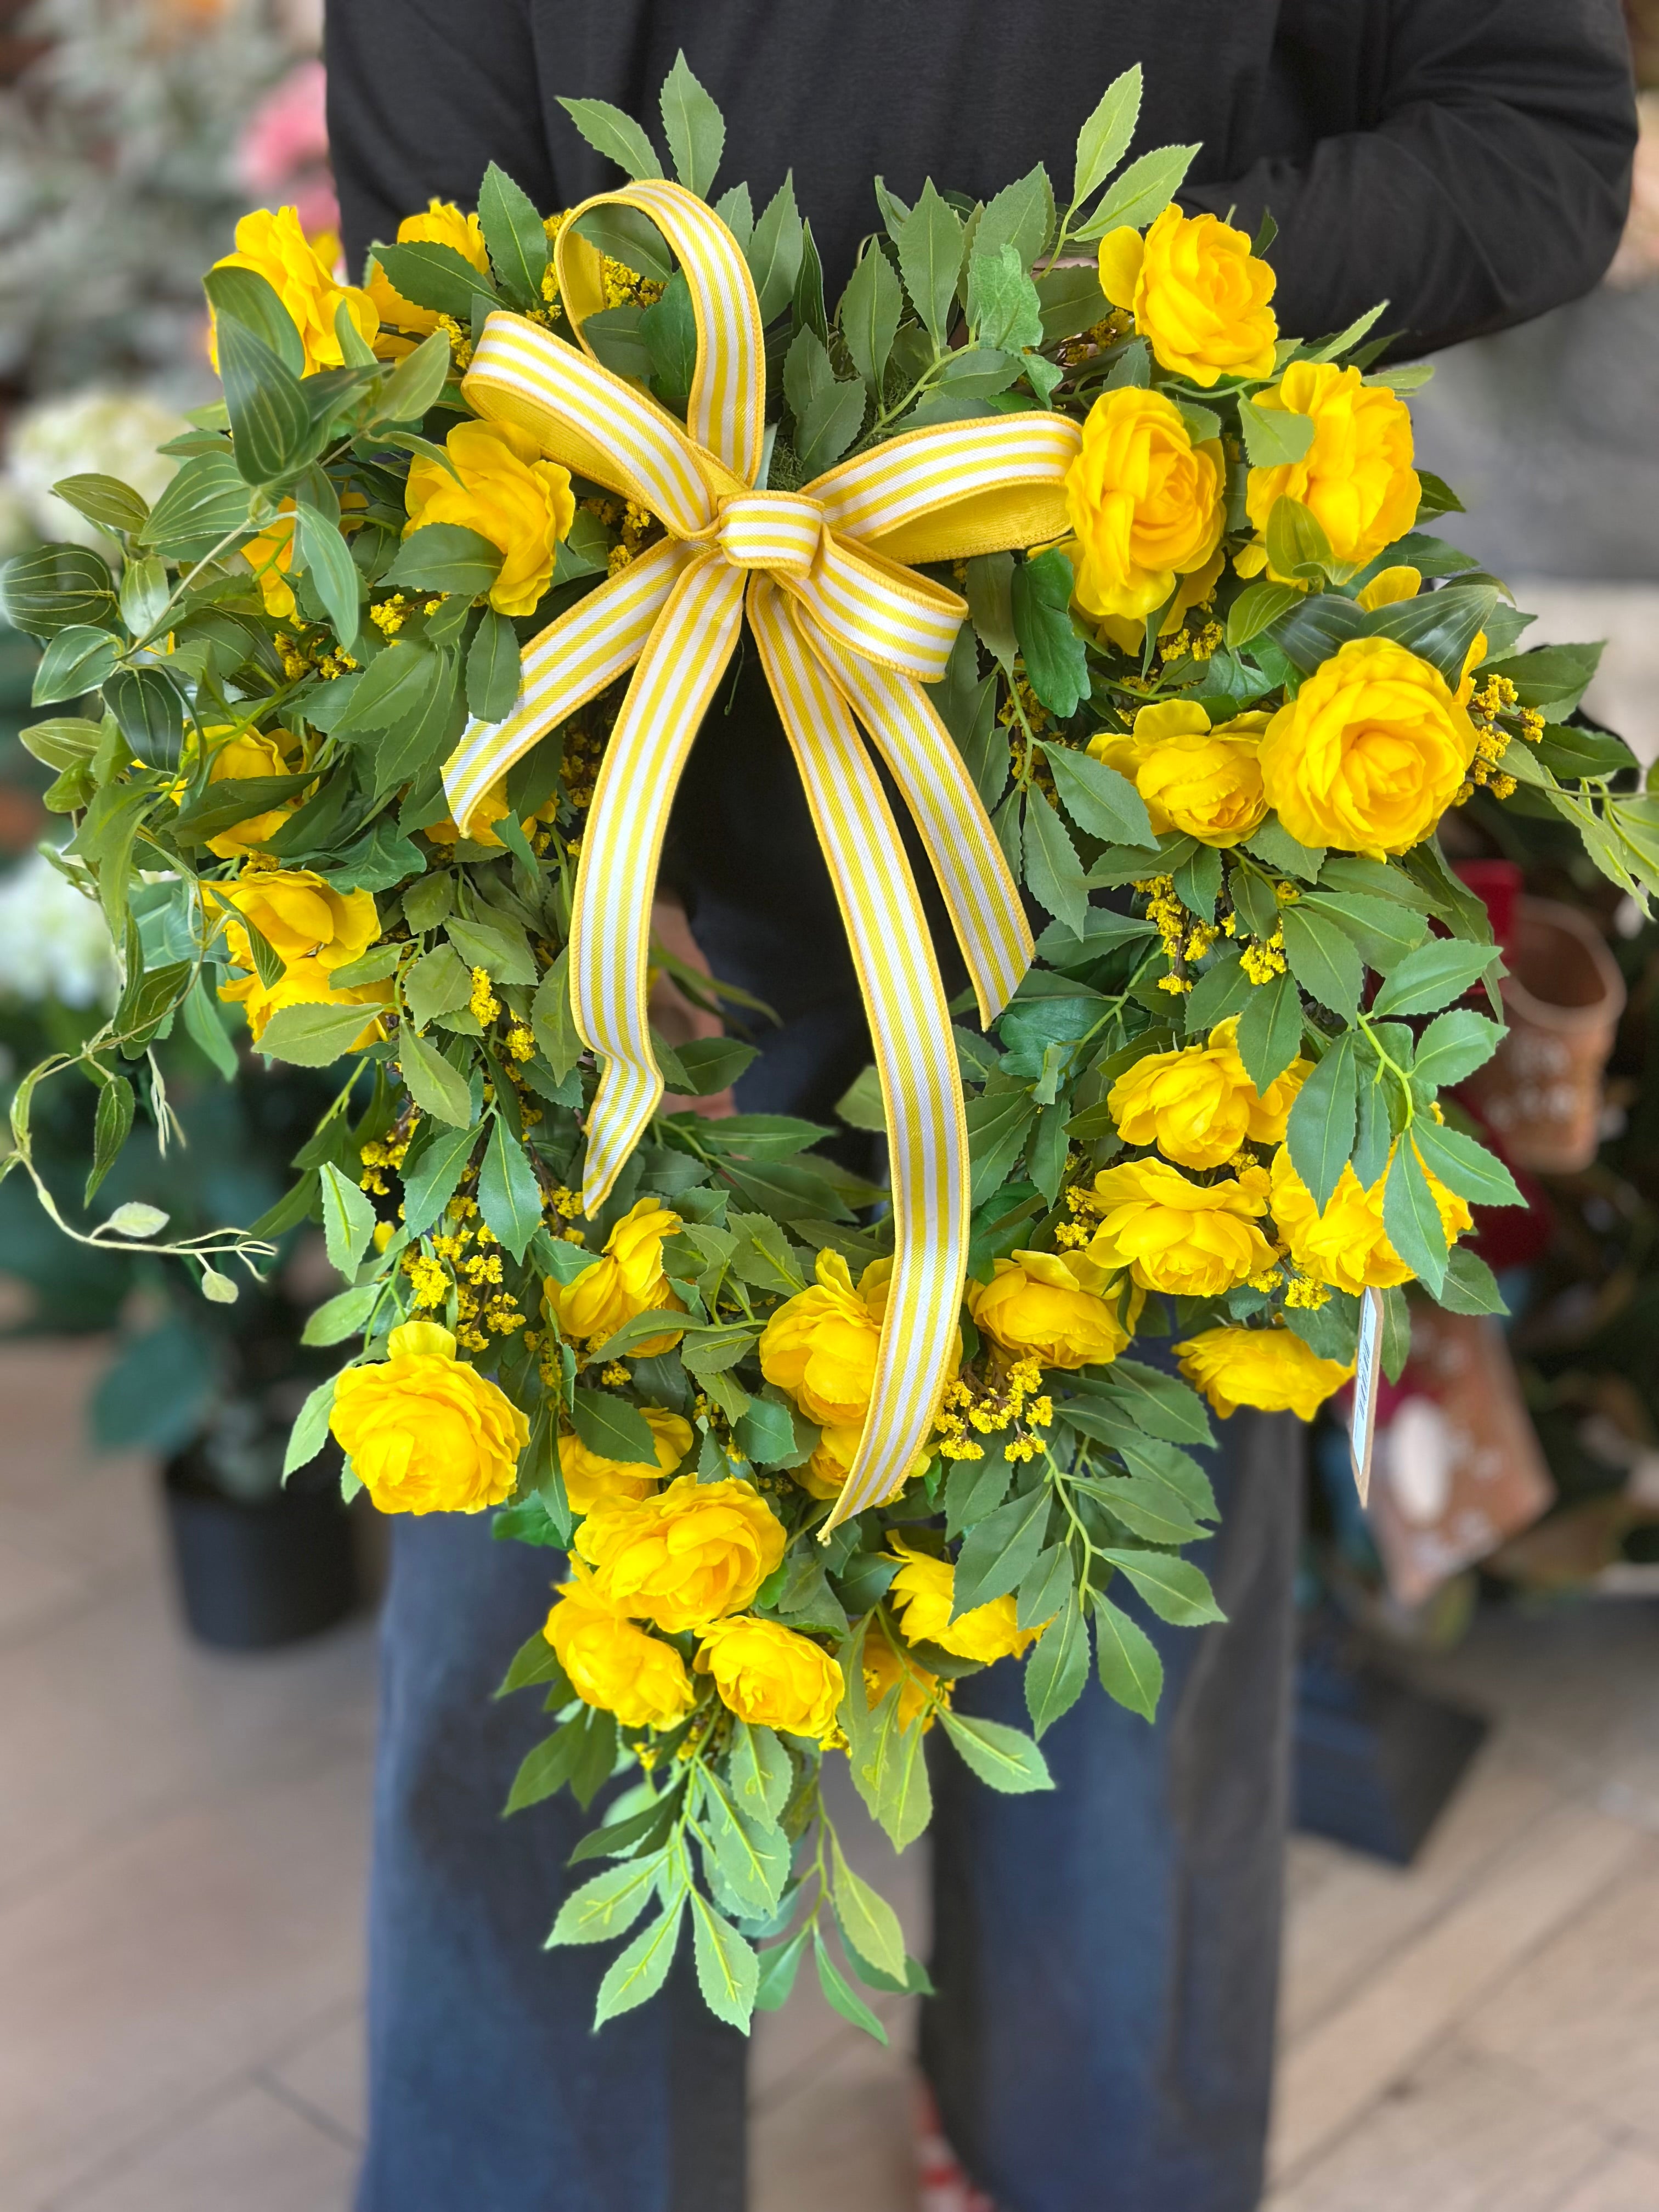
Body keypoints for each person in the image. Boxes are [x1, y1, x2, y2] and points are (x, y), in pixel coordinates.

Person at [324, 8, 1637, 2208]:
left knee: (1122, 1636)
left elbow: (1537, 144)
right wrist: (502, 820)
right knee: (538, 1617)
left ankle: (1089, 2159)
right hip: (606, 832)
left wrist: (1062, 331)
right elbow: (427, 282)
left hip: (1135, 832)